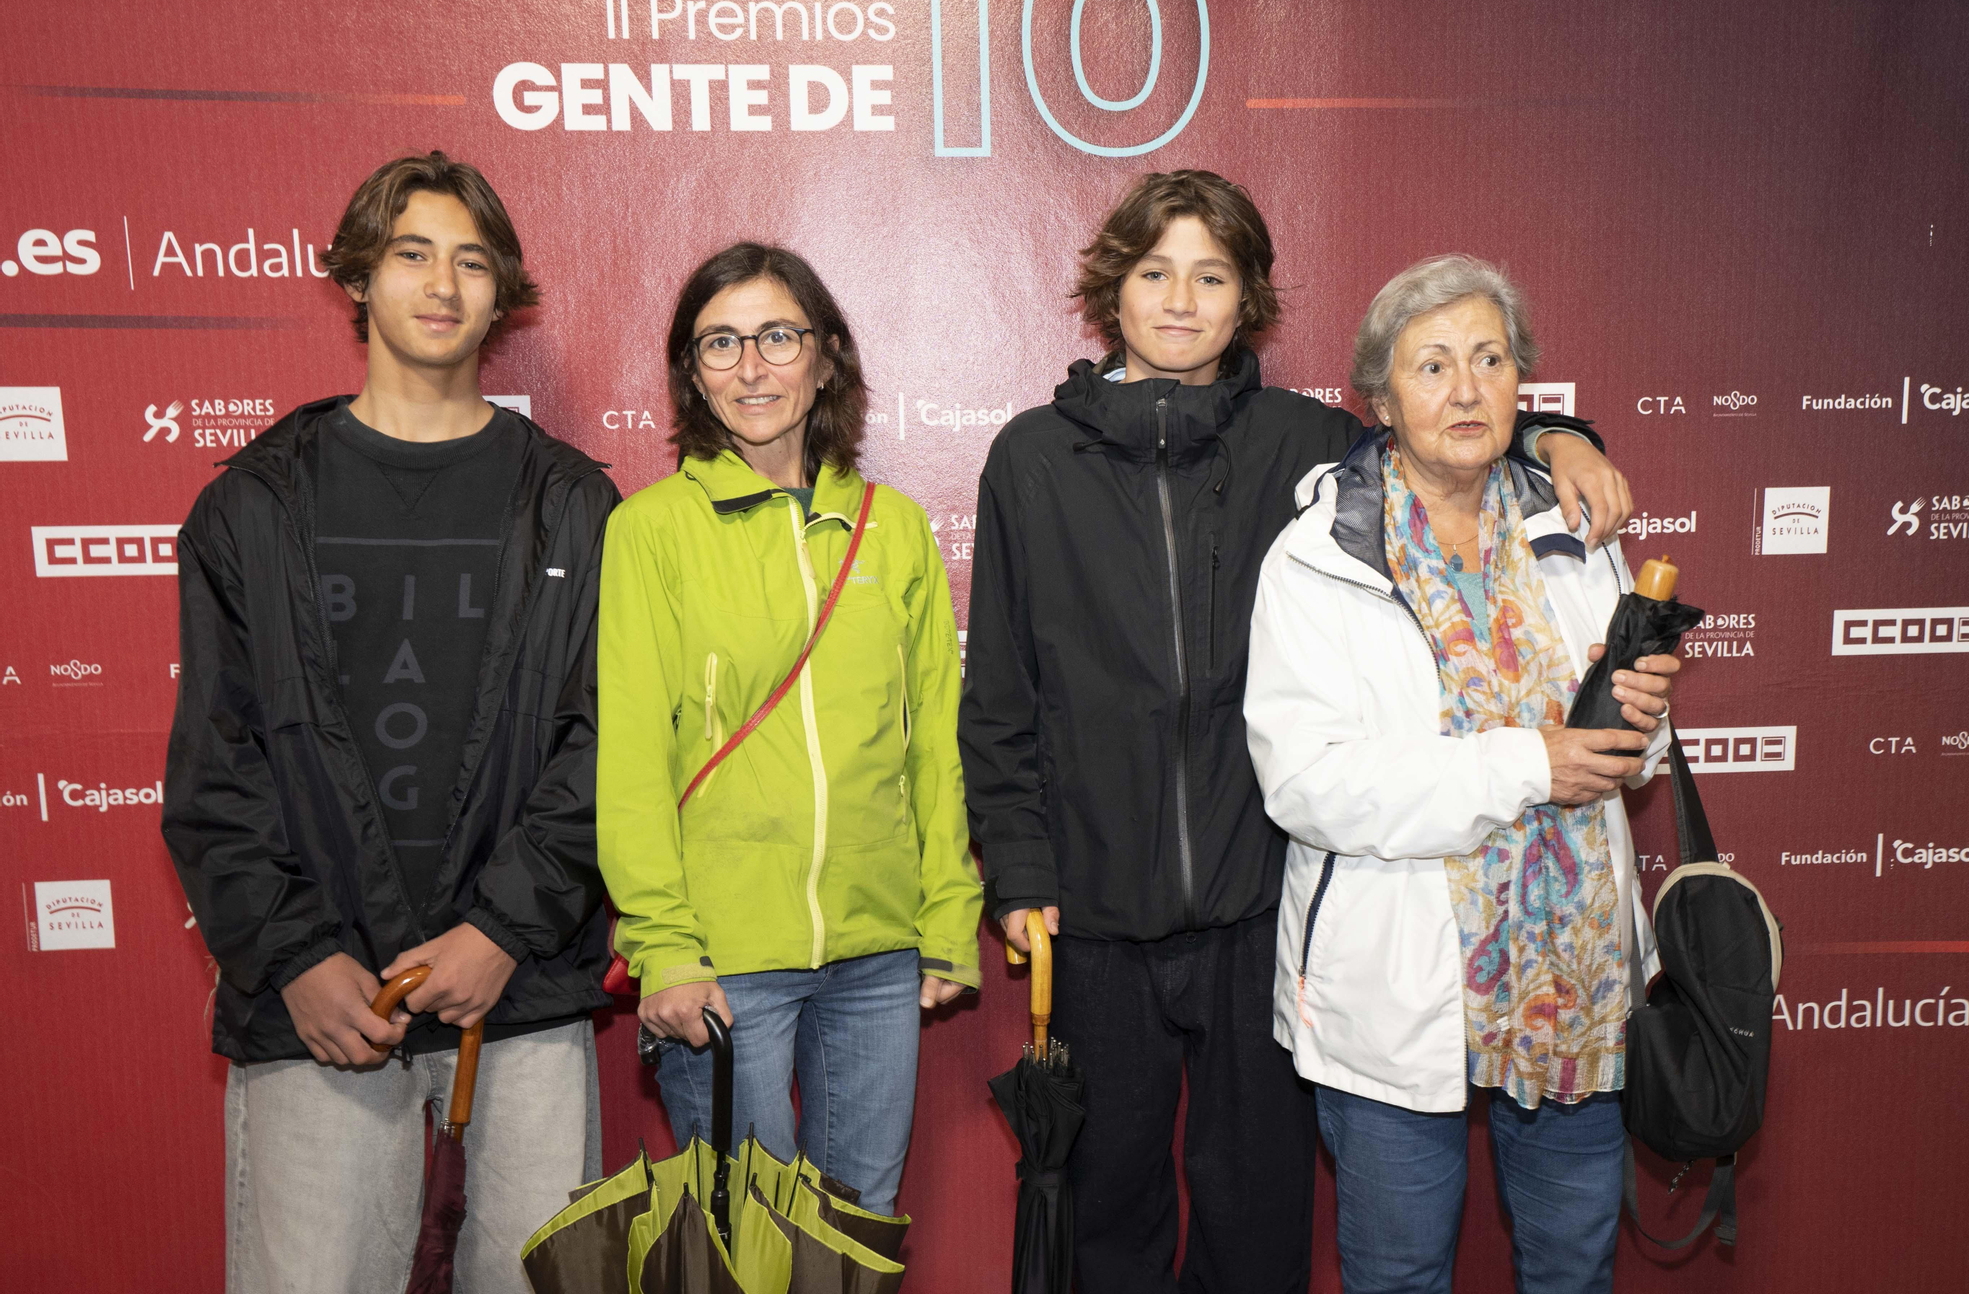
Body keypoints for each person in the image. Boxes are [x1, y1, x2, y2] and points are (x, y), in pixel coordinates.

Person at [959, 171, 1651, 1293]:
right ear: (1111, 289)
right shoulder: (1030, 457)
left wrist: (1567, 439)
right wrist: (1021, 870)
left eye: (1211, 276)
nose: (1180, 302)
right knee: (1108, 1213)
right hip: (1091, 908)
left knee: (1256, 1219)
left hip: (1254, 903)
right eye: (1153, 274)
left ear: (1247, 302)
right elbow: (999, 693)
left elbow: (1451, 428)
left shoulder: (1304, 443)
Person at [163, 151, 617, 1293]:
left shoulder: (571, 503)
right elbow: (215, 764)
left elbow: (608, 747)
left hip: (518, 984)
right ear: (356, 277)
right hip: (319, 998)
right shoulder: (252, 505)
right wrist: (294, 955)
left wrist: (500, 931)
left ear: (501, 293)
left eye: (471, 261)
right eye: (411, 252)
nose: (441, 284)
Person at [1245, 254, 1681, 1294]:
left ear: (1520, 385)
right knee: (1397, 1275)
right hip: (1394, 983)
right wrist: (1527, 761)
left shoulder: (1575, 531)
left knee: (1572, 1269)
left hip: (1571, 982)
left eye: (1488, 359)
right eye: (1430, 364)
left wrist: (1640, 726)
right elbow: (1307, 783)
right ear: (1379, 397)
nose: (1464, 388)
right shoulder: (1316, 559)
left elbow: (1629, 755)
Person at [597, 242, 982, 1216]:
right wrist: (662, 947)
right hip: (725, 965)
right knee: (747, 1250)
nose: (751, 366)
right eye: (718, 343)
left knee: (853, 1235)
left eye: (776, 335)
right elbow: (634, 757)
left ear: (825, 356)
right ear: (691, 371)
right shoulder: (650, 530)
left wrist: (945, 917)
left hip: (877, 954)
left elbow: (934, 742)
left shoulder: (891, 530)